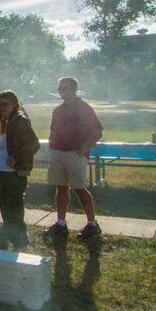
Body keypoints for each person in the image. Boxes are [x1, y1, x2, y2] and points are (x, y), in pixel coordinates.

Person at [42, 77, 104, 245]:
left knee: (79, 188)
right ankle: (61, 223)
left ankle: (92, 223)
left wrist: (81, 150)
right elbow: (53, 131)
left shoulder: (84, 108)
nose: (62, 92)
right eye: (60, 89)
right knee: (61, 188)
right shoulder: (57, 110)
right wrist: (52, 148)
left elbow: (97, 132)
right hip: (57, 153)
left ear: (74, 89)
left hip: (75, 154)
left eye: (65, 88)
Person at [0, 90, 40, 249]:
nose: (1, 107)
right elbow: (5, 148)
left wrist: (16, 158)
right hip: (3, 172)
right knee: (6, 209)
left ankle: (21, 243)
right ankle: (11, 240)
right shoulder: (6, 122)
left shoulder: (20, 121)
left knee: (14, 210)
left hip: (14, 173)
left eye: (5, 104)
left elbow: (33, 144)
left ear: (14, 104)